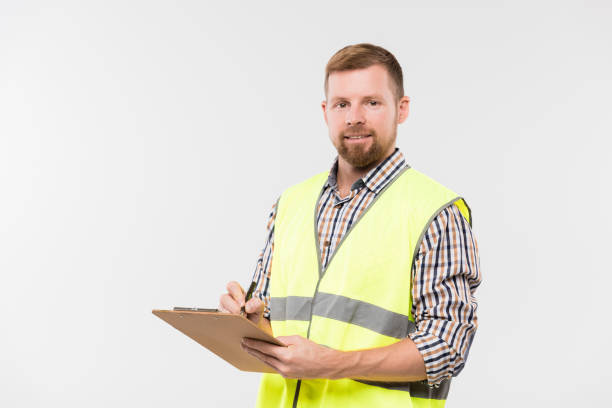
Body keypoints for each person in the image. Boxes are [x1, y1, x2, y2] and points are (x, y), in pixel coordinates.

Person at [218, 43, 481, 408]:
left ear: (401, 109)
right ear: (326, 112)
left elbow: (447, 347)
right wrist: (246, 321)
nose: (354, 117)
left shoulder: (435, 212)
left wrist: (332, 364)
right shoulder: (291, 203)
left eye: (371, 102)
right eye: (342, 104)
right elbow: (272, 325)